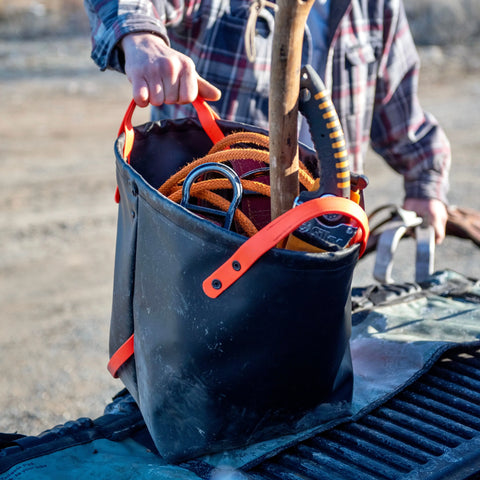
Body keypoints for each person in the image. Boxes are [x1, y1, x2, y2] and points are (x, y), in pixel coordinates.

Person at [84, 0, 450, 243]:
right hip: (211, 238)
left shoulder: (373, 6)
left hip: (323, 241)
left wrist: (425, 183)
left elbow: (400, 112)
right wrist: (142, 38)